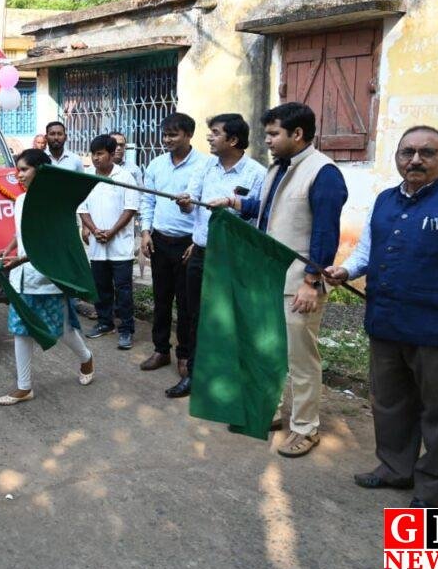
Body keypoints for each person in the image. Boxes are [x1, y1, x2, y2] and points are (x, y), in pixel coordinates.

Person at [326, 126, 438, 507]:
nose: (415, 159)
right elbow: (367, 251)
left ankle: (430, 491)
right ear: (397, 158)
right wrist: (345, 272)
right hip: (386, 324)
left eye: (427, 152)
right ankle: (395, 469)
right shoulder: (384, 200)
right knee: (390, 404)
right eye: (407, 152)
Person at [215, 102, 347, 458]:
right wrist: (232, 203)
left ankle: (306, 428)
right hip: (268, 276)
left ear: (297, 134)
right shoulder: (279, 167)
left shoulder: (324, 174)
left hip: (298, 283)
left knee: (300, 359)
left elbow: (325, 233)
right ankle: (269, 412)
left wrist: (311, 281)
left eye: (273, 134)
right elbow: (267, 208)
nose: (268, 140)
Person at [169, 114, 266, 398]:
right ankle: (196, 377)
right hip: (201, 254)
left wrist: (232, 205)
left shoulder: (257, 174)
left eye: (215, 132)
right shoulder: (205, 167)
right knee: (196, 316)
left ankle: (232, 382)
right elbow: (191, 205)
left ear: (233, 140)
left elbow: (259, 218)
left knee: (231, 319)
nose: (209, 137)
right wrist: (185, 202)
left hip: (235, 258)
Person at [0, 149, 94, 404]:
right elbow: (22, 232)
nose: (18, 174)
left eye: (24, 169)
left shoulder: (55, 203)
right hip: (21, 277)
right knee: (21, 329)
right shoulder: (20, 201)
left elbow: (59, 243)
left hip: (47, 277)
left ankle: (86, 358)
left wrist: (27, 258)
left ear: (40, 171)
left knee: (62, 329)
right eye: (17, 169)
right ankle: (24, 386)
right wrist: (9, 249)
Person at [139, 113, 204, 375]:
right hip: (159, 242)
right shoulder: (156, 165)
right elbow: (148, 201)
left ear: (188, 135)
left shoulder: (205, 165)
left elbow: (205, 209)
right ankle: (161, 350)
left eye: (173, 135)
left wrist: (198, 242)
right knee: (161, 298)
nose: (167, 139)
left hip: (189, 244)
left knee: (187, 303)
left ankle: (185, 355)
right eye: (165, 134)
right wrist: (145, 232)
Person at [78, 135, 140, 349]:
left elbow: (130, 208)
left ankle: (126, 330)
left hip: (120, 247)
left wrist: (111, 232)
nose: (95, 158)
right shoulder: (87, 177)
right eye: (93, 154)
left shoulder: (125, 177)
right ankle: (105, 323)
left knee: (123, 290)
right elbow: (82, 208)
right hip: (97, 245)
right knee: (101, 287)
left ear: (112, 154)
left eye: (100, 153)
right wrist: (95, 230)